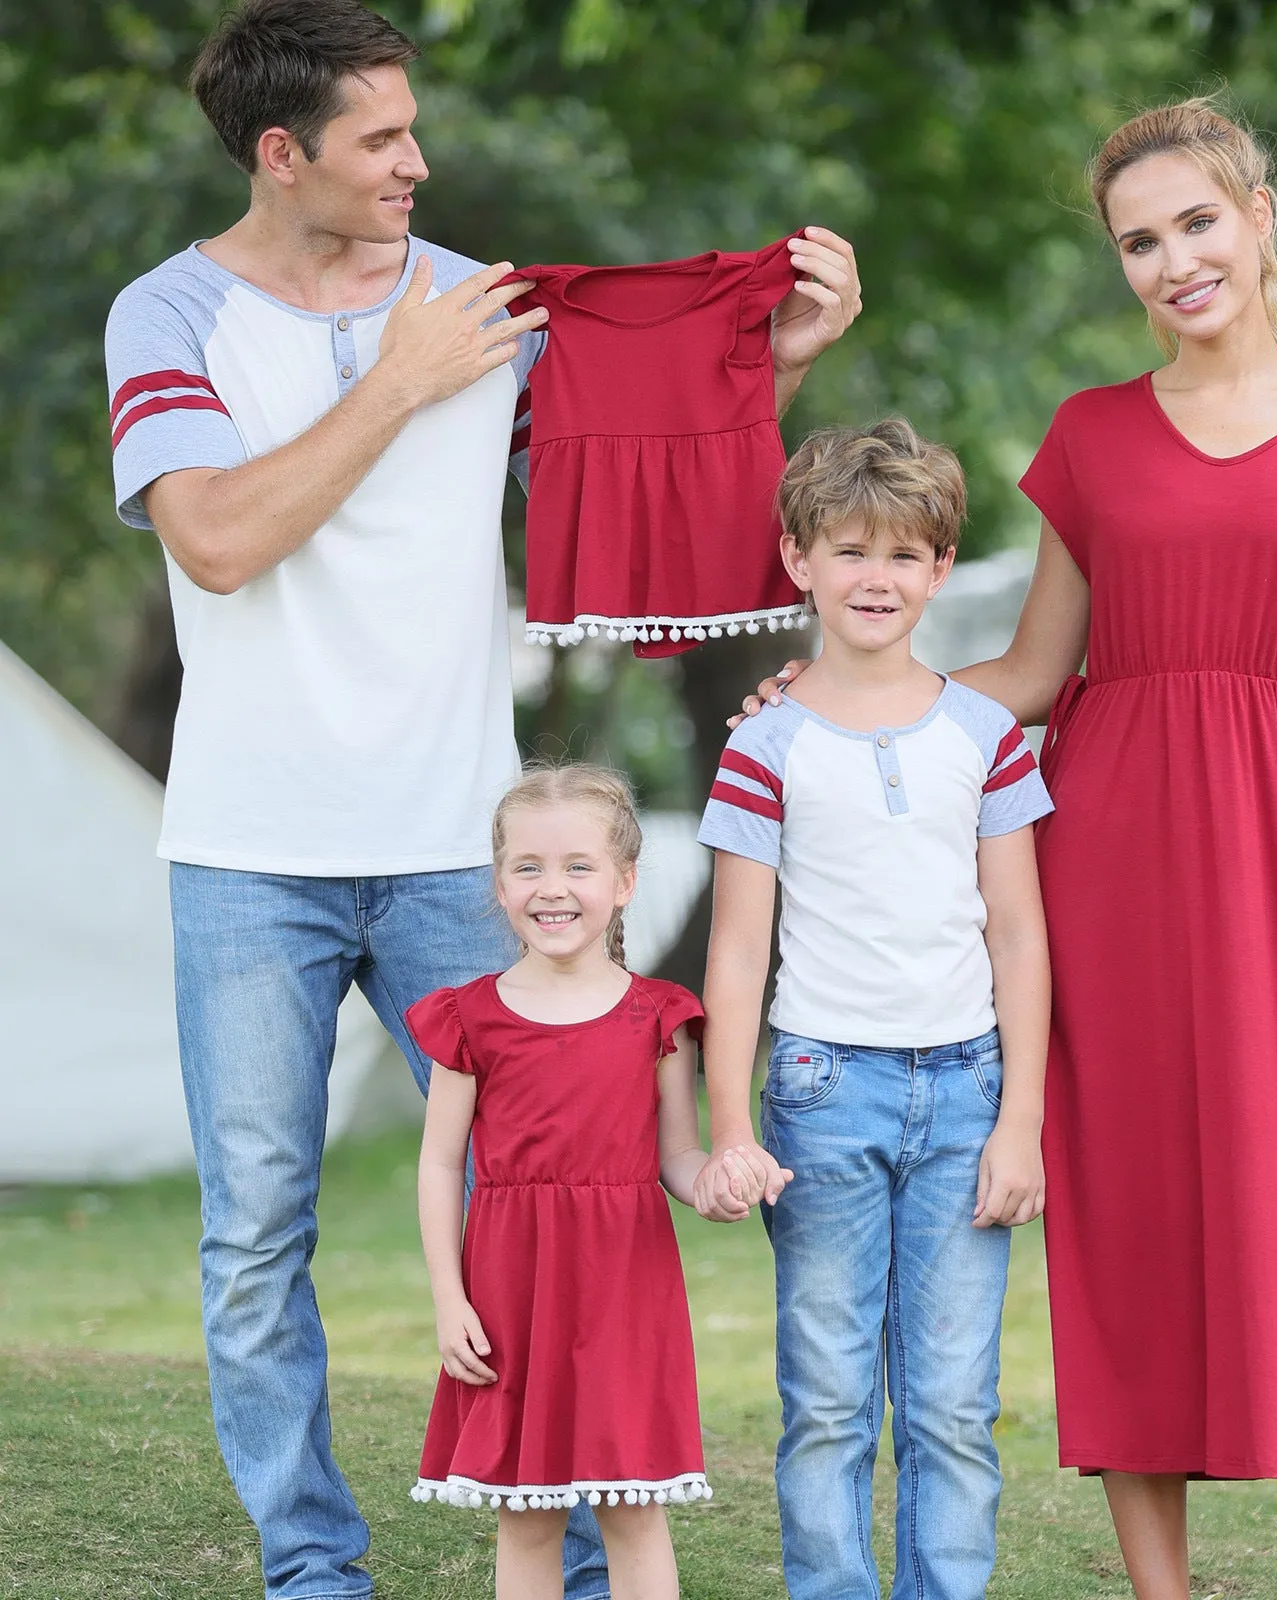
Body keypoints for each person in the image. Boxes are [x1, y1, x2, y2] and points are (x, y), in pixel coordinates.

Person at [100, 3, 860, 1596]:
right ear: (280, 152)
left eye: (415, 127)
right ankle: (315, 1570)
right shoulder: (163, 316)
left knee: (559, 1215)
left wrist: (765, 360)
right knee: (254, 1242)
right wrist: (395, 383)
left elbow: (633, 479)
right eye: (381, 138)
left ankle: (580, 1570)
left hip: (470, 853)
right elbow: (222, 540)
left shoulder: (490, 308)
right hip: (248, 856)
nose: (419, 163)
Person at [741, 99, 1277, 1600]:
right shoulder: (1092, 432)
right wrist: (839, 698)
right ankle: (1161, 1591)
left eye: (1196, 221)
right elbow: (1030, 675)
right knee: (1127, 1233)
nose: (1173, 260)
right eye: (1141, 240)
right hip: (1107, 875)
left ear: (1259, 214)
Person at [694, 419, 1054, 1600]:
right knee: (829, 1396)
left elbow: (1017, 933)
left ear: (941, 568)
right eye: (848, 551)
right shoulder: (767, 746)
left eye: (903, 556)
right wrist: (731, 1126)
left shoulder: (984, 736)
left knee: (953, 1401)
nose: (875, 579)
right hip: (819, 1094)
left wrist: (1019, 1126)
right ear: (798, 558)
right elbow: (739, 955)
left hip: (965, 1094)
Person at [407, 764, 734, 1600]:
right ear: (499, 883)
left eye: (578, 867)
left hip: (626, 1293)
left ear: (624, 882)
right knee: (525, 1513)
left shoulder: (658, 1016)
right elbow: (442, 1163)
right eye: (529, 867)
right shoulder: (469, 1016)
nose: (553, 889)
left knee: (632, 1508)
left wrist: (715, 1185)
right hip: (511, 1295)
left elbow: (677, 1157)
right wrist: (450, 1299)